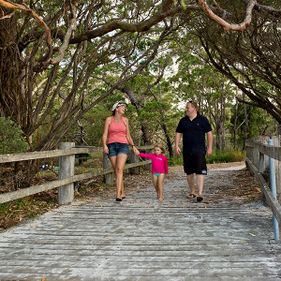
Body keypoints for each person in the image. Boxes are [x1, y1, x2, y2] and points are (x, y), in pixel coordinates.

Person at [175, 100, 213, 202]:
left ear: (195, 108)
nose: (186, 109)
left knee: (200, 171)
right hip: (187, 150)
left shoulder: (203, 120)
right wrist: (176, 145)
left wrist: (210, 147)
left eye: (188, 107)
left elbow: (209, 133)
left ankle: (200, 193)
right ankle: (192, 191)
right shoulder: (183, 121)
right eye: (186, 107)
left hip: (199, 150)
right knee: (189, 172)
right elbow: (178, 133)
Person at [102, 100, 137, 201]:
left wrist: (133, 145)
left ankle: (118, 194)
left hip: (123, 145)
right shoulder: (109, 119)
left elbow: (128, 135)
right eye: (122, 106)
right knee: (116, 170)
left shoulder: (125, 120)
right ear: (116, 108)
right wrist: (104, 145)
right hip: (111, 146)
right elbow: (105, 134)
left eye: (124, 107)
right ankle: (122, 191)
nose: (124, 108)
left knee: (119, 169)